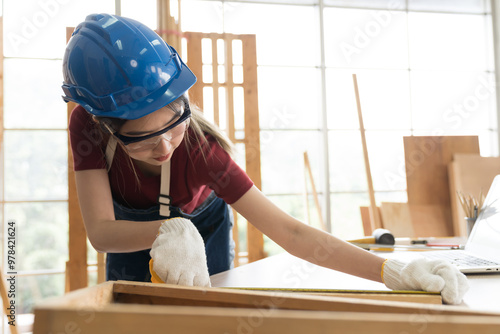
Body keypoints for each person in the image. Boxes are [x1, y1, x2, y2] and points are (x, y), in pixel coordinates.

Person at [63, 13, 468, 304]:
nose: (167, 146)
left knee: (203, 316)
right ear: (105, 126)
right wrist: (166, 231)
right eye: (145, 141)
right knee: (128, 316)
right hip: (131, 233)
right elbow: (101, 232)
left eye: (175, 124)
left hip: (202, 225)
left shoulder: (204, 152)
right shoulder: (87, 126)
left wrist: (392, 272)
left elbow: (291, 234)